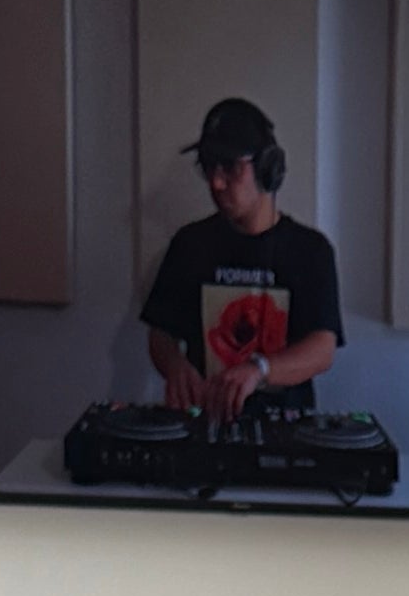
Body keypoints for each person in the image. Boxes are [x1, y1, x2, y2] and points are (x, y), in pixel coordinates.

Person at [139, 97, 344, 428]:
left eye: (230, 167)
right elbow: (160, 333)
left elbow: (322, 349)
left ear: (268, 168)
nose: (216, 183)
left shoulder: (311, 251)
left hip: (285, 431)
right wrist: (175, 366)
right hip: (203, 425)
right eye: (209, 167)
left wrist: (259, 371)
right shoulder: (189, 244)